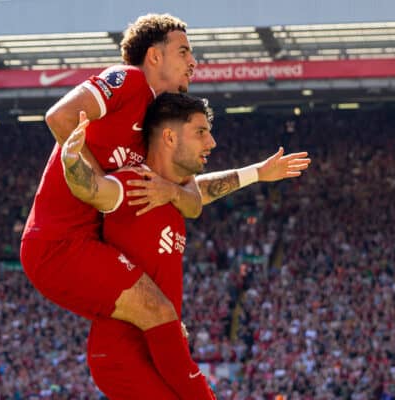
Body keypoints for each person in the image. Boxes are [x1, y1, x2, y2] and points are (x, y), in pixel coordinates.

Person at [20, 13, 309, 398]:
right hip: (57, 245)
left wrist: (255, 173)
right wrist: (96, 183)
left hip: (88, 245)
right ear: (154, 57)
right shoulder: (131, 80)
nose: (194, 62)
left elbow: (190, 198)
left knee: (160, 320)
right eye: (184, 51)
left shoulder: (155, 128)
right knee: (159, 312)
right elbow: (59, 117)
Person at [63, 92, 218, 399]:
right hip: (122, 355)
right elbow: (94, 189)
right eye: (201, 132)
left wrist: (260, 173)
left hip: (158, 349)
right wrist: (72, 161)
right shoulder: (135, 184)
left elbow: (206, 190)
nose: (211, 143)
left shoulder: (176, 195)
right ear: (170, 137)